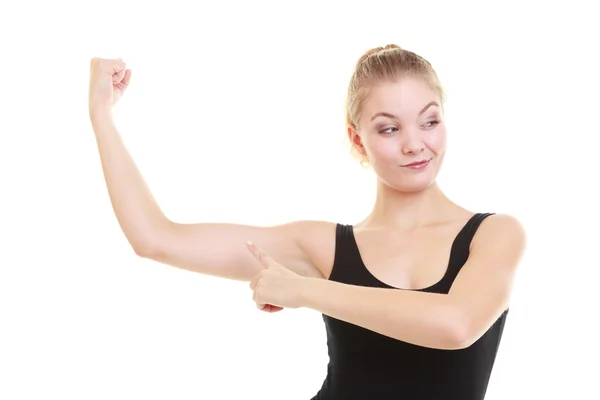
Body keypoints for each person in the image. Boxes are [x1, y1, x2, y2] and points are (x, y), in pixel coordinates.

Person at [88, 44, 527, 400]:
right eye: (389, 129)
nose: (416, 144)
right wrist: (101, 115)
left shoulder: (494, 235)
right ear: (359, 140)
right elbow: (156, 239)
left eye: (429, 121)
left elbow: (456, 326)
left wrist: (303, 290)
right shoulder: (322, 246)